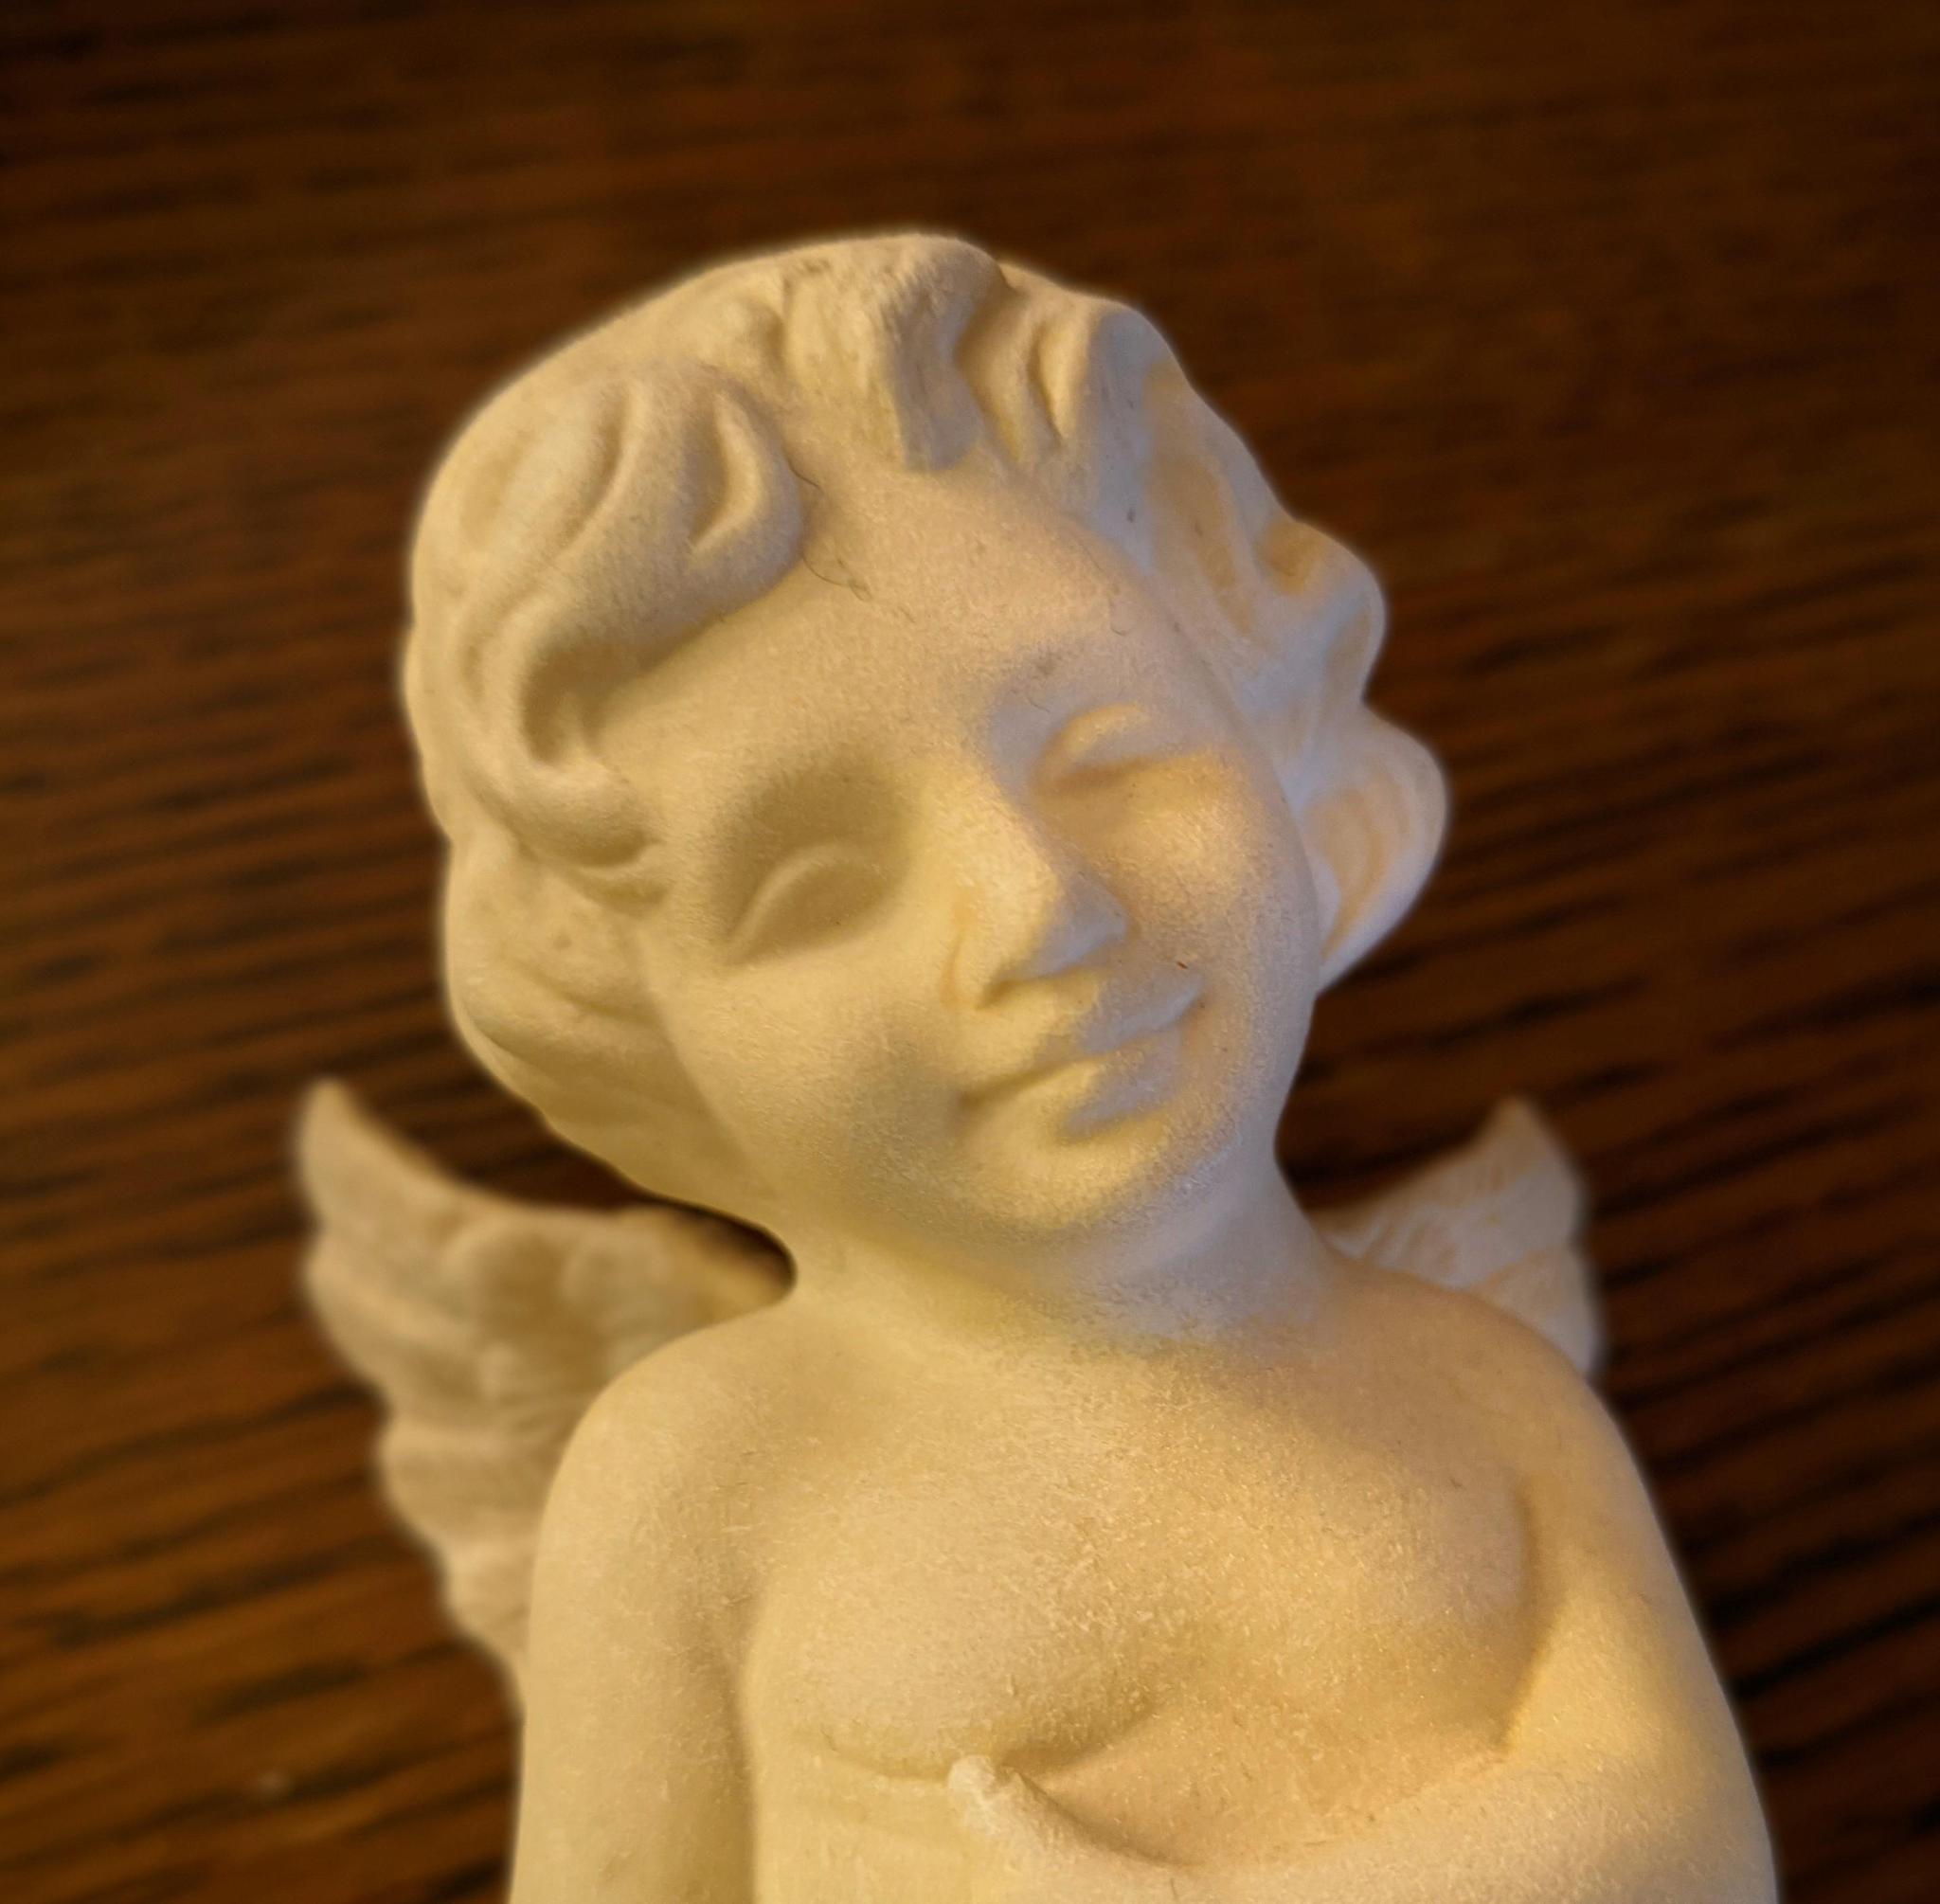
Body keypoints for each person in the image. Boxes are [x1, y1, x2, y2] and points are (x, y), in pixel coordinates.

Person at [386, 235, 1775, 1903]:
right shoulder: (707, 1481)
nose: (1041, 905)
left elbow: (1695, 1847)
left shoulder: (1487, 1397)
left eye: (1110, 750)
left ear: (1279, 749)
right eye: (821, 882)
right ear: (641, 1021)